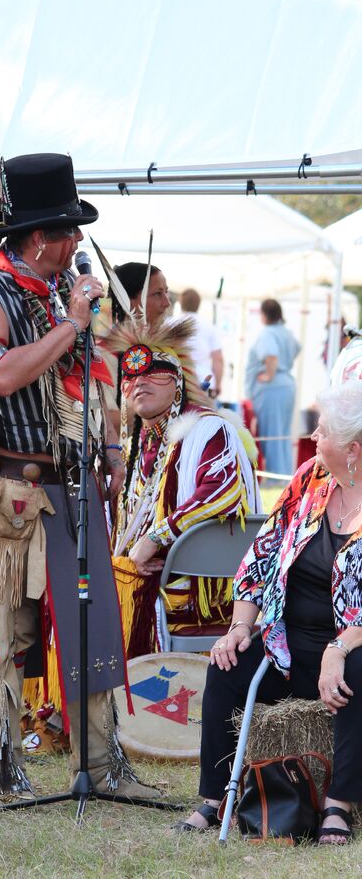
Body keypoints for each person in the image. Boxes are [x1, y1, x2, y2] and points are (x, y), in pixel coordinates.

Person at [0, 151, 158, 805]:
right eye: (69, 232)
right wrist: (71, 322)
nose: (77, 244)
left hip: (75, 485)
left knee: (94, 623)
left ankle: (103, 759)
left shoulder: (57, 295)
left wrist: (112, 448)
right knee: (8, 631)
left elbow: (92, 380)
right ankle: (4, 765)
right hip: (17, 490)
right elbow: (2, 375)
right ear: (40, 238)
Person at [175, 381, 362, 844]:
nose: (313, 439)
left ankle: (338, 804)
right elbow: (260, 557)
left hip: (350, 645)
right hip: (288, 640)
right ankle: (215, 799)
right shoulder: (309, 480)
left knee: (359, 670)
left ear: (354, 450)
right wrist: (240, 626)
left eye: (322, 433)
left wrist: (339, 648)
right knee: (228, 664)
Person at [103, 264, 260, 658]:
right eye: (130, 379)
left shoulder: (206, 430)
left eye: (154, 375)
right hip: (151, 577)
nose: (138, 383)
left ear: (177, 382)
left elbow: (221, 494)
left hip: (197, 592)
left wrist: (155, 539)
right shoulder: (140, 445)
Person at [245, 298, 300, 478]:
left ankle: (275, 477)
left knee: (271, 434)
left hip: (272, 387)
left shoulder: (267, 334)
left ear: (263, 315)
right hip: (286, 384)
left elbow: (271, 355)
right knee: (282, 433)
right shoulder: (286, 332)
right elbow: (297, 348)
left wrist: (268, 374)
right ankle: (283, 474)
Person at [177, 288, 224, 397]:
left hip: (178, 380)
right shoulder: (209, 326)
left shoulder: (170, 323)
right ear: (198, 304)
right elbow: (218, 359)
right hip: (204, 381)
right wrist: (218, 384)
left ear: (181, 303)